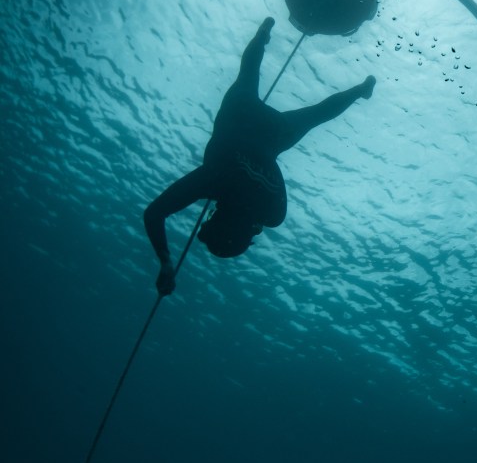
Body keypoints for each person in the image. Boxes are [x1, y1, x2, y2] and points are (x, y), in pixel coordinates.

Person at [144, 17, 375, 295]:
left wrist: (258, 162)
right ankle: (263, 35)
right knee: (249, 74)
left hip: (271, 135)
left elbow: (273, 177)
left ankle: (360, 89)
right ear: (216, 219)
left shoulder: (271, 214)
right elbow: (154, 214)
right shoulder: (213, 181)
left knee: (314, 116)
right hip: (240, 120)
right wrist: (165, 262)